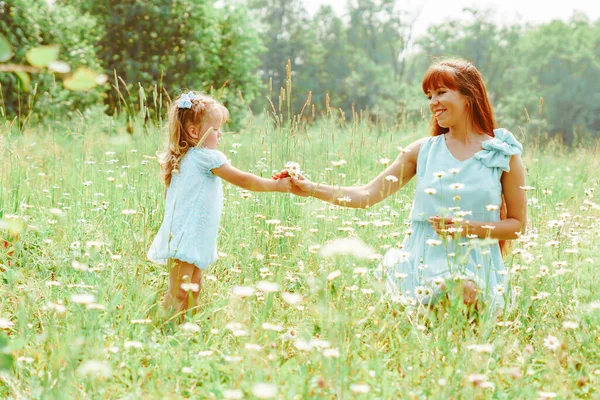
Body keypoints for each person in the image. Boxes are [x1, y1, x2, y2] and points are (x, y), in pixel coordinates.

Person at [291, 58, 527, 310]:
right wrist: (312, 188)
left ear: (468, 96)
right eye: (429, 96)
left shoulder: (502, 154)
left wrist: (468, 228)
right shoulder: (422, 151)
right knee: (445, 309)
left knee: (464, 292)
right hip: (420, 267)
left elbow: (516, 226)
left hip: (476, 267)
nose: (433, 102)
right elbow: (366, 195)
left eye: (441, 92)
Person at [147, 92, 292, 317]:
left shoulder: (183, 158)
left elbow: (171, 197)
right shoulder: (207, 157)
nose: (220, 134)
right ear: (194, 132)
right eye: (215, 129)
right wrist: (276, 186)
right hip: (188, 233)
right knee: (180, 291)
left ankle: (186, 328)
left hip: (189, 232)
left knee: (192, 288)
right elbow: (244, 180)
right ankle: (162, 328)